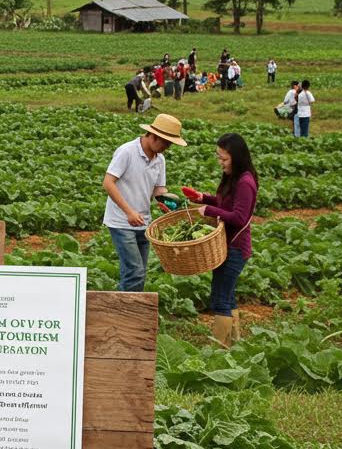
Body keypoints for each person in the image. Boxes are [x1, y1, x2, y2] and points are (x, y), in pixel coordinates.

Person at [182, 133, 259, 348]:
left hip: (236, 248)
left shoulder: (245, 182)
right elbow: (227, 203)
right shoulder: (235, 178)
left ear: (237, 157)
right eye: (218, 157)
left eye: (224, 158)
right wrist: (203, 198)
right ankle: (233, 345)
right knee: (227, 296)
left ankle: (219, 349)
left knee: (221, 299)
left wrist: (210, 210)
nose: (220, 162)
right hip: (227, 245)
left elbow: (239, 217)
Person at [102, 112, 186, 292]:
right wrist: (129, 212)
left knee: (138, 272)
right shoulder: (127, 152)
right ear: (154, 136)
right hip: (121, 221)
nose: (167, 148)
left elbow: (158, 190)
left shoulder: (160, 159)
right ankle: (127, 307)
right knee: (135, 271)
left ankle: (129, 305)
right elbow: (108, 183)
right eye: (166, 143)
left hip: (143, 221)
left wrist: (169, 203)